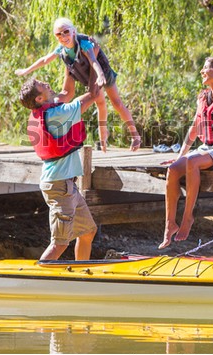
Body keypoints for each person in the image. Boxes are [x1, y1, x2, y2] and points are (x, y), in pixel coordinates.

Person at [158, 56, 213, 250]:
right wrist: (181, 156)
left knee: (193, 163)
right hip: (207, 148)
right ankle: (170, 224)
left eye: (206, 68)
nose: (202, 71)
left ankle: (188, 217)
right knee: (173, 170)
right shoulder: (204, 97)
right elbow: (194, 129)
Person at [15, 17, 141, 153]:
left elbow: (93, 60)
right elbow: (45, 59)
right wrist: (26, 70)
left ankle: (135, 135)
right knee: (100, 103)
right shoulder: (61, 49)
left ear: (73, 31)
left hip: (102, 72)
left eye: (66, 32)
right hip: (86, 75)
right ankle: (103, 138)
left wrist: (100, 75)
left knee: (117, 103)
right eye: (59, 34)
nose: (63, 37)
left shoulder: (84, 43)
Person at [19, 77, 98, 261]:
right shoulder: (56, 114)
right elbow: (93, 95)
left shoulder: (46, 109)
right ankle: (35, 282)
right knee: (60, 243)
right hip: (59, 186)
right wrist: (96, 66)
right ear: (39, 99)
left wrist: (70, 63)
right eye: (42, 86)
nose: (47, 84)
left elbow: (67, 92)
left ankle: (80, 277)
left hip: (66, 185)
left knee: (88, 232)